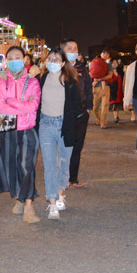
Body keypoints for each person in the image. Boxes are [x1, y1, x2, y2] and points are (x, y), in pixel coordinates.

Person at [0, 46, 42, 223]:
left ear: (25, 59)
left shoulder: (33, 81)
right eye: (10, 57)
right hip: (8, 131)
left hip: (28, 130)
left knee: (27, 166)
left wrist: (11, 101)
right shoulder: (1, 81)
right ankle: (20, 199)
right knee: (13, 166)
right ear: (6, 61)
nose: (14, 60)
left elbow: (34, 105)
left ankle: (28, 206)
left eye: (17, 57)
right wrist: (20, 103)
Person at [36, 48, 80, 219]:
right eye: (50, 59)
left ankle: (61, 192)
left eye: (56, 59)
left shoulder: (70, 81)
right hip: (46, 124)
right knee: (49, 164)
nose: (53, 62)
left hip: (65, 125)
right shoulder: (41, 79)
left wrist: (70, 123)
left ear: (63, 63)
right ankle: (52, 202)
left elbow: (76, 105)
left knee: (63, 162)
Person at [61, 39, 93, 189]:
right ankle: (62, 178)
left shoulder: (82, 69)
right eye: (69, 48)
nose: (73, 51)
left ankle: (73, 179)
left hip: (81, 115)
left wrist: (88, 107)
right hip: (63, 116)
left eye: (75, 48)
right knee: (63, 147)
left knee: (77, 147)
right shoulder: (59, 69)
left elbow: (88, 88)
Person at [91, 48, 113, 128]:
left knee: (105, 105)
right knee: (95, 107)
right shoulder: (95, 63)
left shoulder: (108, 64)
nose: (105, 54)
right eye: (103, 53)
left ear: (109, 56)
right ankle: (99, 119)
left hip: (106, 87)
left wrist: (100, 79)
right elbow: (91, 74)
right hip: (96, 87)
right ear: (101, 54)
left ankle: (103, 122)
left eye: (107, 53)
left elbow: (110, 75)